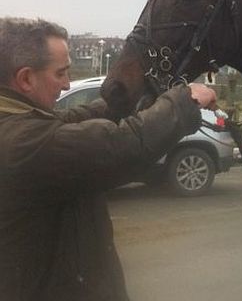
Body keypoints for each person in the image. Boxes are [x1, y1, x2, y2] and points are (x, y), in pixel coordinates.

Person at [0, 17, 217, 301]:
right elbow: (124, 145)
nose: (67, 85)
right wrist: (185, 100)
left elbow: (74, 118)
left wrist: (127, 98)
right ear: (26, 78)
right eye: (60, 73)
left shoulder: (18, 119)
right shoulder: (23, 143)